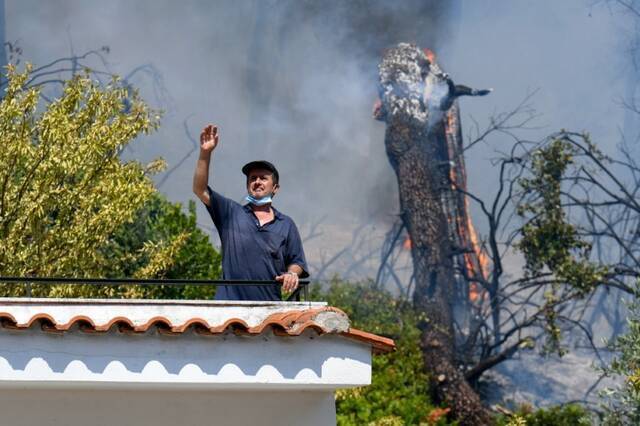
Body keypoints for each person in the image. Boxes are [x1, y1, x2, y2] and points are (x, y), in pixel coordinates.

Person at [192, 124, 309, 301]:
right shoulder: (231, 213)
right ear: (247, 186)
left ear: (275, 188)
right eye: (253, 178)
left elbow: (297, 261)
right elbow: (200, 189)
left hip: (269, 312)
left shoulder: (285, 224)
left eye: (263, 178)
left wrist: (292, 274)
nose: (257, 182)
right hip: (229, 309)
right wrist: (205, 153)